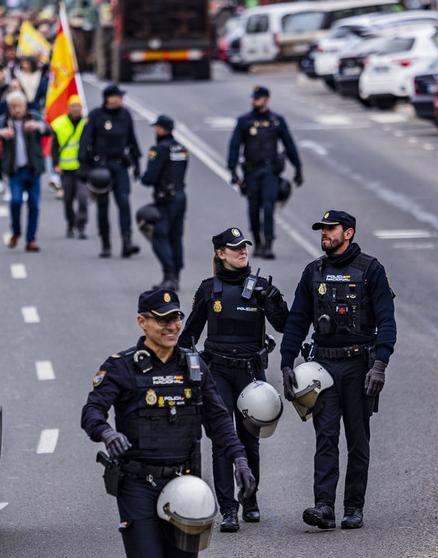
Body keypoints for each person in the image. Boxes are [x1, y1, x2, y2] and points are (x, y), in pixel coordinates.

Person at [81, 288, 255, 558]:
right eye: (162, 319)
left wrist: (240, 460)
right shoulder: (122, 367)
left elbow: (218, 418)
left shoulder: (194, 365)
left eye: (176, 317)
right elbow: (91, 411)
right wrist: (107, 433)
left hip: (184, 485)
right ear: (143, 323)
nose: (172, 325)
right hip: (138, 485)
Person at [280, 210, 396, 531]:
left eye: (330, 229)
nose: (324, 234)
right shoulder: (313, 272)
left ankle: (354, 507)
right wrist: (287, 362)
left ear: (348, 233)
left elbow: (387, 321)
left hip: (360, 366)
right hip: (324, 366)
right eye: (322, 229)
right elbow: (297, 321)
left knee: (357, 439)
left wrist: (380, 365)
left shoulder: (371, 271)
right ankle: (324, 506)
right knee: (325, 437)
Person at [179, 227, 288, 532]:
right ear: (220, 253)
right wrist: (193, 369)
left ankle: (250, 498)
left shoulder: (261, 288)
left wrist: (275, 301)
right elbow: (188, 337)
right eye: (235, 248)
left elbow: (285, 326)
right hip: (218, 373)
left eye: (245, 247)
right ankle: (228, 508)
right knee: (221, 440)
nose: (243, 252)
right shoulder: (208, 290)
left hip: (250, 372)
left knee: (249, 440)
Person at [227, 86, 302, 260]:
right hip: (251, 171)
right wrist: (232, 170)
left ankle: (268, 243)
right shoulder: (244, 121)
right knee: (253, 208)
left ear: (266, 99)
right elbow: (234, 147)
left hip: (270, 171)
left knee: (268, 206)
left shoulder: (276, 120)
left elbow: (289, 145)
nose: (254, 101)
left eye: (257, 98)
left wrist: (298, 168)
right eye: (253, 98)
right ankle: (257, 243)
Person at [79, 84, 142, 259]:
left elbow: (132, 139)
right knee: (102, 205)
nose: (121, 99)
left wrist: (137, 162)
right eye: (118, 96)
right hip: (101, 166)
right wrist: (82, 165)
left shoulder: (125, 114)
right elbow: (85, 141)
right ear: (109, 98)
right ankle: (105, 243)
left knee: (123, 202)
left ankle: (127, 241)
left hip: (120, 164)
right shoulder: (96, 115)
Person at [0, 90, 50, 252]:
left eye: (19, 106)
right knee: (16, 201)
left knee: (34, 205)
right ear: (9, 108)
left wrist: (39, 127)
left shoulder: (34, 117)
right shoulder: (3, 121)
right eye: (13, 107)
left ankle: (31, 239)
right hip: (15, 170)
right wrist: (0, 133)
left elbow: (49, 130)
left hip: (33, 169)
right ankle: (16, 230)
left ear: (25, 106)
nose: (17, 110)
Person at [139, 114, 188, 291]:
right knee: (176, 236)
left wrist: (143, 177)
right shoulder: (181, 148)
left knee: (160, 236)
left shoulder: (159, 149)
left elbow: (150, 177)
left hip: (165, 198)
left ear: (161, 129)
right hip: (181, 196)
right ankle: (176, 275)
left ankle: (169, 274)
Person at [51, 95, 89, 239]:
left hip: (82, 168)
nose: (75, 109)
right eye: (72, 106)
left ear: (81, 108)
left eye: (77, 106)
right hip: (66, 169)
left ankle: (81, 225)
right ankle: (70, 224)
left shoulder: (87, 124)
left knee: (83, 198)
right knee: (68, 199)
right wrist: (55, 164)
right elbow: (54, 146)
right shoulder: (60, 124)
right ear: (68, 108)